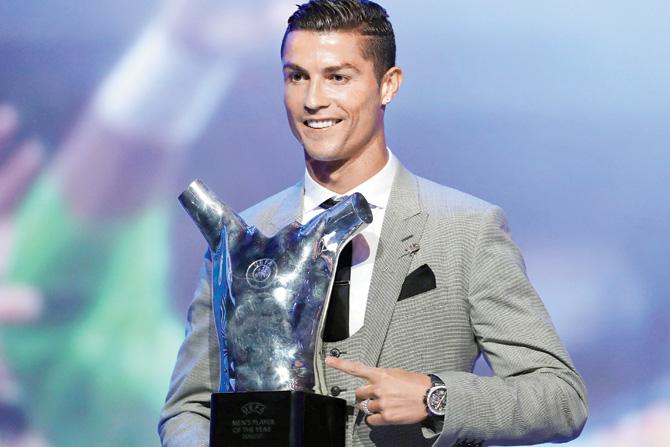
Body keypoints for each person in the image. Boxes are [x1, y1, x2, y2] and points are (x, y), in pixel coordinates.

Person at [159, 1, 588, 446]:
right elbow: (188, 408)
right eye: (296, 76)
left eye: (337, 77)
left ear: (388, 85)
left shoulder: (466, 229)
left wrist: (437, 397)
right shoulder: (245, 237)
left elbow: (560, 398)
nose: (312, 100)